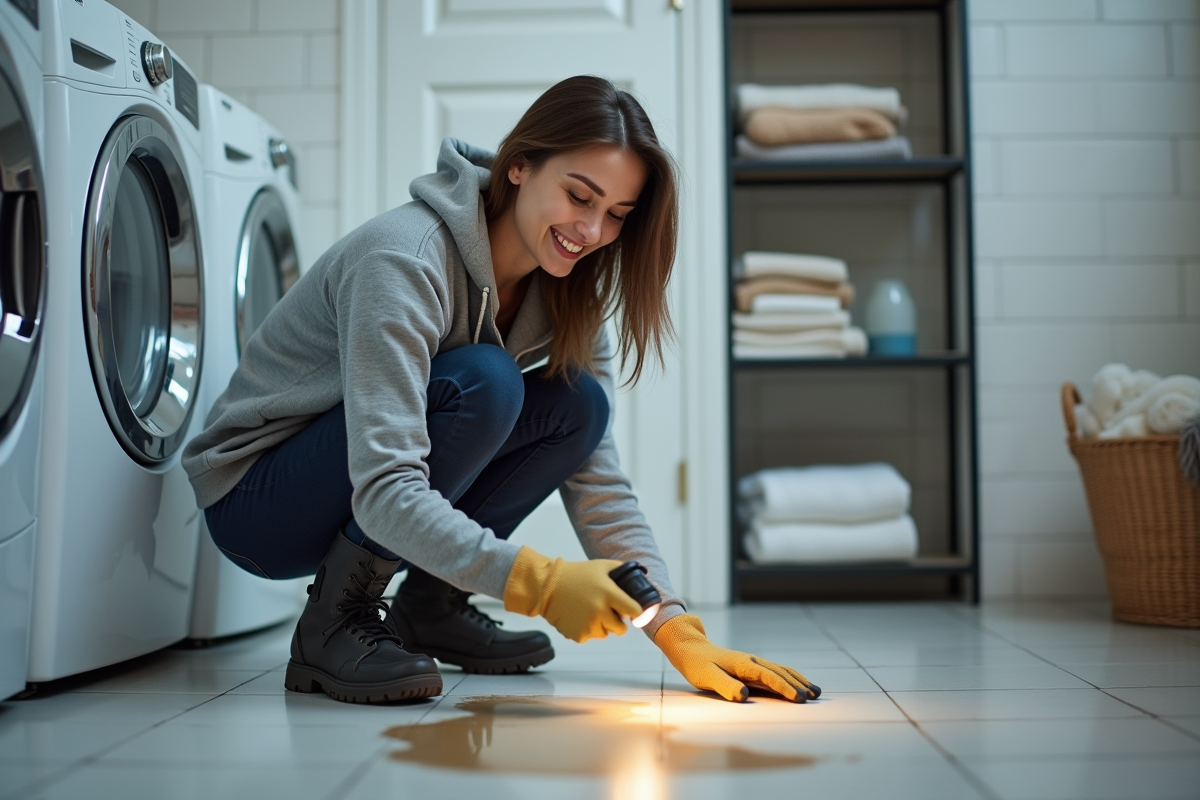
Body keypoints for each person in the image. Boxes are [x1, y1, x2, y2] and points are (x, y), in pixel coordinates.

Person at [183, 75, 820, 706]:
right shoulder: (403, 260)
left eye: (616, 215)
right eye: (579, 196)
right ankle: (332, 624)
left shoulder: (570, 290)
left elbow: (596, 477)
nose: (593, 231)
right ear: (519, 167)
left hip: (355, 491)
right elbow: (384, 487)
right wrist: (538, 583)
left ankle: (432, 604)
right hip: (258, 503)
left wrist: (672, 625)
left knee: (578, 407)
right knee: (488, 381)